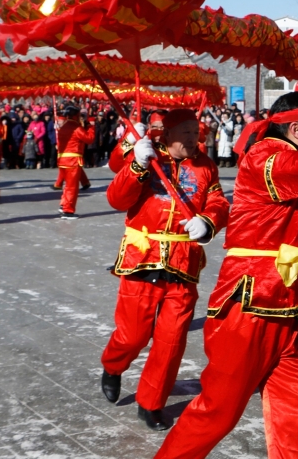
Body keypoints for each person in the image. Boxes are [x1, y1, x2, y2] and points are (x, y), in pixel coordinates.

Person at [154, 88, 298, 459]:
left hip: (288, 303)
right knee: (219, 410)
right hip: (249, 302)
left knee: (295, 411)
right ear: (296, 130)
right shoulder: (264, 157)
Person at [100, 109, 229, 432]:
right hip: (142, 259)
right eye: (185, 132)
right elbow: (117, 199)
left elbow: (218, 202)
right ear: (166, 134)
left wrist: (209, 221)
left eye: (196, 132)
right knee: (133, 336)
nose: (193, 138)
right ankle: (113, 366)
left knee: (171, 342)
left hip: (183, 262)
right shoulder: (146, 154)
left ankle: (151, 401)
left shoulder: (206, 166)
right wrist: (137, 166)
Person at [56, 105, 95, 219]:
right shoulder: (76, 128)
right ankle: (68, 210)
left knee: (67, 186)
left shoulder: (64, 127)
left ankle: (64, 204)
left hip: (63, 160)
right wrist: (90, 127)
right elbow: (89, 139)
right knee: (72, 187)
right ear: (75, 115)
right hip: (73, 161)